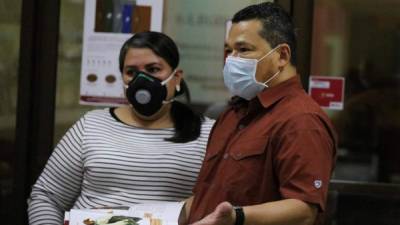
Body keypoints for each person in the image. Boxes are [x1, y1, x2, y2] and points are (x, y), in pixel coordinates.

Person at [27, 31, 215, 225]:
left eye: (153, 69)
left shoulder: (208, 134)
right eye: (131, 72)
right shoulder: (91, 125)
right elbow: (47, 197)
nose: (141, 80)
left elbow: (223, 202)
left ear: (176, 77)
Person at [180, 2, 337, 225]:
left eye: (243, 50)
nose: (231, 60)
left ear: (282, 56)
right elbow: (208, 194)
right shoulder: (234, 112)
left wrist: (237, 217)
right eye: (228, 50)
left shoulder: (301, 120)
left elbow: (303, 210)